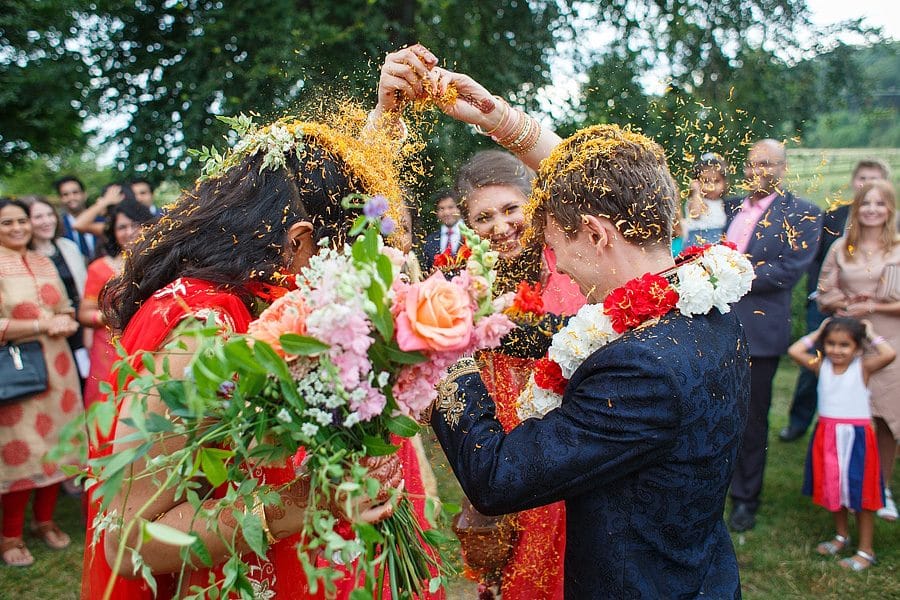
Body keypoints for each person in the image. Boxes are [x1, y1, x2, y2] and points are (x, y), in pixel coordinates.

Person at [374, 48, 749, 596]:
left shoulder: (638, 367)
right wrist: (496, 116)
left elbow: (498, 477)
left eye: (557, 244)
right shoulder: (707, 303)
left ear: (596, 235)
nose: (560, 261)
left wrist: (444, 351)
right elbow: (609, 182)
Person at [82, 122, 429, 599]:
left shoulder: (260, 296)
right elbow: (128, 542)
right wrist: (309, 500)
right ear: (300, 241)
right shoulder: (200, 333)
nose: (342, 281)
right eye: (343, 258)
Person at [453, 150, 584, 599]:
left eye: (511, 209)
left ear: (534, 205)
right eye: (483, 217)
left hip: (568, 442)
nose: (500, 226)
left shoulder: (571, 270)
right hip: (500, 448)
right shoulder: (467, 283)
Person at [725, 139, 822, 532]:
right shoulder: (731, 206)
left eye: (766, 164)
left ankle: (746, 498)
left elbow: (789, 269)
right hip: (718, 324)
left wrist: (729, 276)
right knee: (716, 412)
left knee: (751, 419)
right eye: (751, 164)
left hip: (759, 330)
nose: (757, 172)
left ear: (783, 168)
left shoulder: (803, 213)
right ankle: (711, 487)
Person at [781, 159, 891, 442]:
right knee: (823, 376)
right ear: (854, 182)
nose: (867, 188)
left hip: (884, 328)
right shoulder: (834, 224)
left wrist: (871, 303)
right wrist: (838, 302)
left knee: (882, 400)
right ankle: (809, 430)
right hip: (838, 317)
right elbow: (820, 270)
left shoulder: (895, 239)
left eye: (875, 180)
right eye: (862, 178)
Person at [0, 198, 82, 567]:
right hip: (18, 371)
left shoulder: (43, 261)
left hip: (59, 367)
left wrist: (65, 319)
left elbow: (63, 306)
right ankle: (10, 536)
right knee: (23, 450)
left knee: (57, 445)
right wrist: (40, 325)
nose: (18, 228)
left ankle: (44, 522)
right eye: (7, 223)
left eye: (22, 221)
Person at [816, 179, 900, 522]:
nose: (872, 210)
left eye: (880, 204)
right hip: (847, 346)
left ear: (890, 209)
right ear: (857, 207)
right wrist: (847, 301)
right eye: (866, 203)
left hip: (889, 341)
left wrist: (875, 308)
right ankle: (845, 487)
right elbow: (823, 293)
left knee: (884, 417)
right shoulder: (841, 248)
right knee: (849, 416)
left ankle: (884, 489)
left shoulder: (897, 248)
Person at [787, 317, 895, 571]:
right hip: (828, 436)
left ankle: (866, 550)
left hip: (856, 439)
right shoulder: (820, 364)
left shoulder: (863, 368)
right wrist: (818, 331)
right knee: (835, 488)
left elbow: (888, 354)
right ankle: (841, 535)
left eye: (844, 345)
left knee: (861, 493)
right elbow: (794, 351)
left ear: (857, 347)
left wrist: (870, 333)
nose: (836, 350)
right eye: (831, 343)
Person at [78, 199, 154, 408]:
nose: (130, 232)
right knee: (109, 406)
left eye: (136, 225)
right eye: (122, 227)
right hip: (109, 347)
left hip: (149, 341)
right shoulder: (100, 268)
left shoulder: (159, 265)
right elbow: (84, 314)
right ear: (113, 232)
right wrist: (107, 316)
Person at [24, 196, 89, 379]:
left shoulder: (68, 247)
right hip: (49, 328)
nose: (46, 221)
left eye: (49, 215)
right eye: (38, 217)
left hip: (80, 323)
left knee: (85, 376)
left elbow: (84, 287)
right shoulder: (25, 256)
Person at [682, 152, 729, 245]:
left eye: (717, 181)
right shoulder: (696, 200)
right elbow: (695, 214)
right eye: (706, 181)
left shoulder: (723, 202)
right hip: (698, 239)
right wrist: (696, 192)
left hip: (718, 238)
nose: (711, 186)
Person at [71, 182, 137, 239]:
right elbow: (77, 225)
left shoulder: (138, 225)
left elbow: (78, 224)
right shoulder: (111, 227)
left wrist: (106, 201)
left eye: (103, 198)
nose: (98, 201)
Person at [54, 176, 98, 260]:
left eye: (75, 192)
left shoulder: (101, 221)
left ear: (84, 194)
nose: (71, 198)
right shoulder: (58, 227)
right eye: (65, 194)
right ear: (61, 199)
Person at [420, 189, 462, 271]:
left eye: (450, 207)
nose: (446, 212)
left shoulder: (472, 234)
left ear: (459, 209)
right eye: (441, 208)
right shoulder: (429, 241)